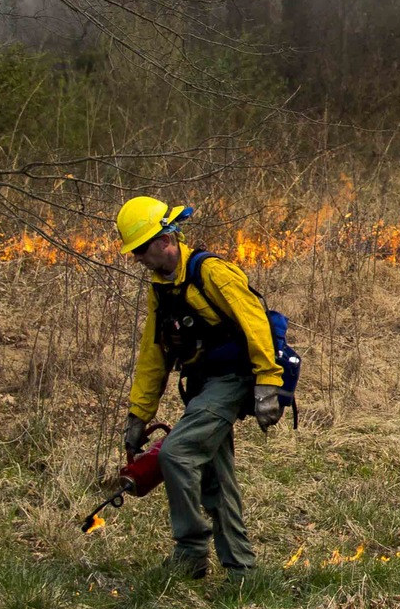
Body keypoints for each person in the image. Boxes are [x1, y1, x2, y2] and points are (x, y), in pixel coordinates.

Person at [115, 197, 285, 578]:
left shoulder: (212, 272)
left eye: (140, 249)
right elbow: (153, 353)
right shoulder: (161, 287)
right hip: (204, 385)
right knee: (214, 474)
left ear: (164, 241)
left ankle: (191, 551)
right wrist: (138, 415)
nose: (138, 258)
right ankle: (242, 570)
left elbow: (255, 324)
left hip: (236, 379)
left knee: (175, 454)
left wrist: (267, 385)